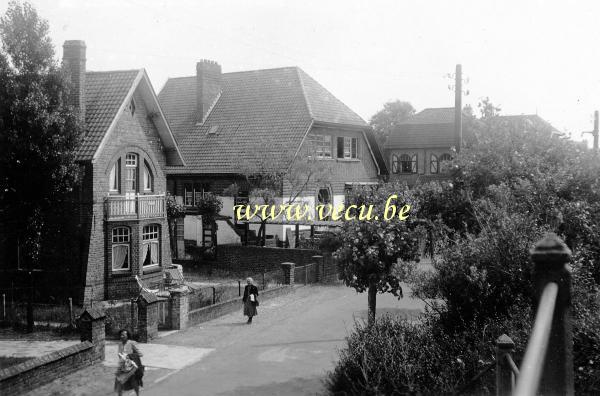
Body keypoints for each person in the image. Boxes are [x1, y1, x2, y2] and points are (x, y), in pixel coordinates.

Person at [114, 329, 144, 396]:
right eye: (121, 335)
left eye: (123, 335)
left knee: (134, 383)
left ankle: (137, 394)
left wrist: (129, 356)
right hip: (122, 367)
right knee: (119, 383)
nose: (121, 336)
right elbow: (120, 355)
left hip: (131, 368)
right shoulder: (120, 344)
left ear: (127, 336)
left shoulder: (131, 343)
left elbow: (140, 354)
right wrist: (121, 357)